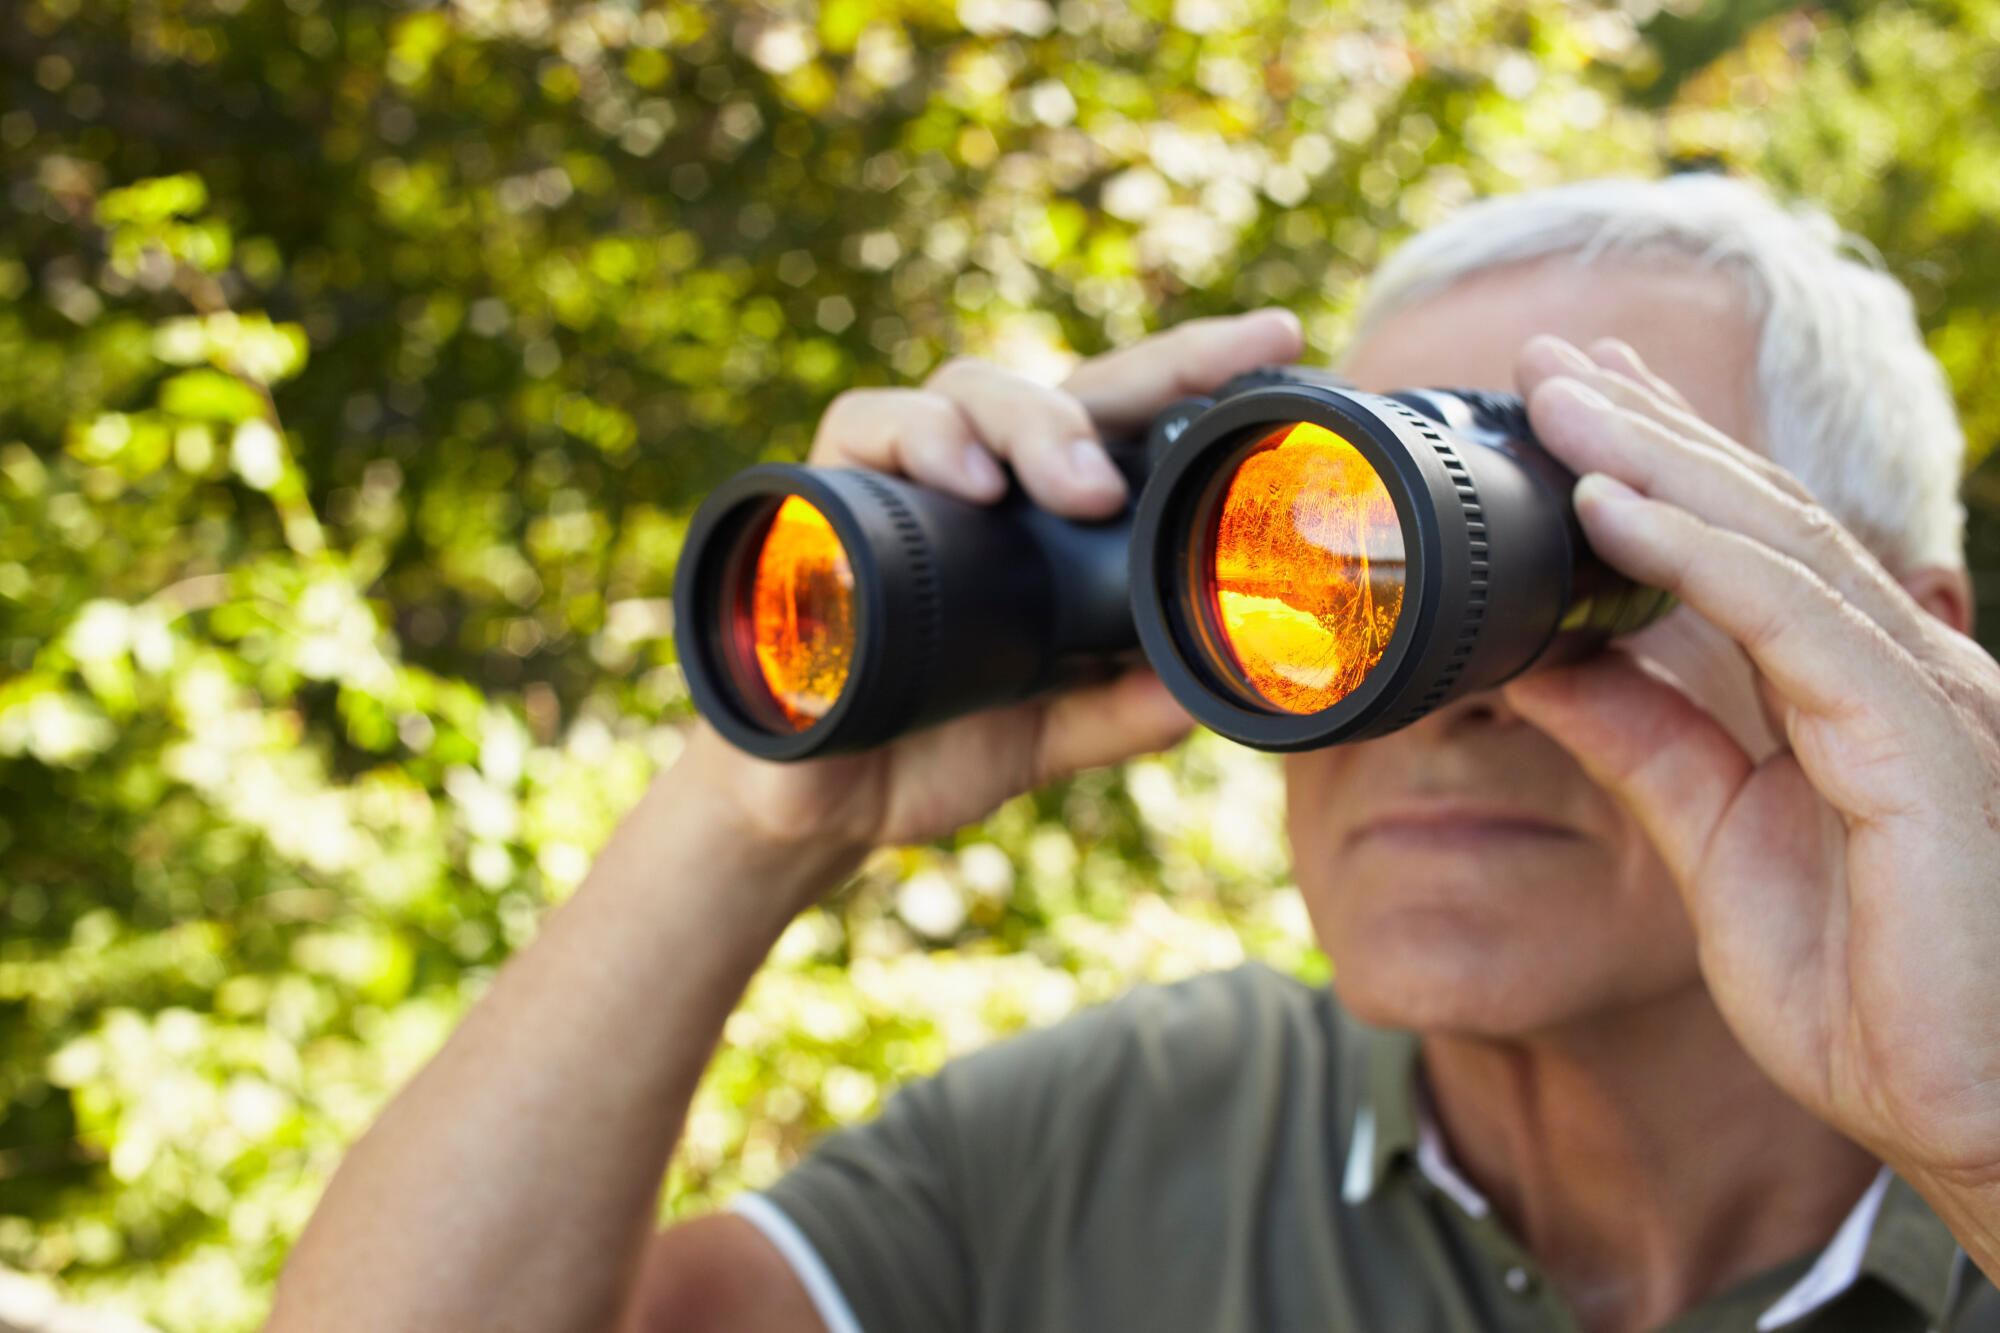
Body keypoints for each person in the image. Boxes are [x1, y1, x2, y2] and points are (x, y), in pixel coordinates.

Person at [264, 174, 2000, 1333]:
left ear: (1898, 641)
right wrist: (750, 810)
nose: (1432, 685)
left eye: (1577, 559)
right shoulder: (1123, 1144)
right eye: (1331, 560)